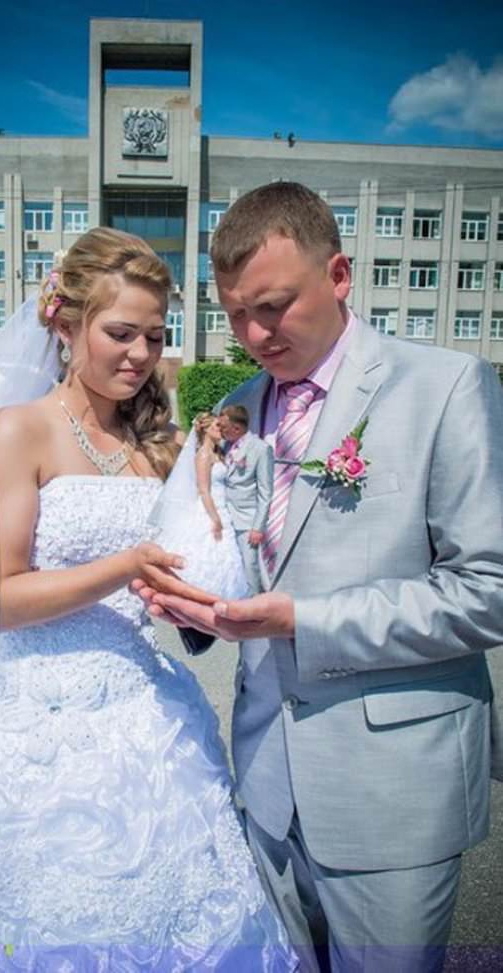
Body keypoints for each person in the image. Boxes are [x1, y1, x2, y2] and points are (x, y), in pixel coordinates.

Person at [0, 228, 298, 971]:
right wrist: (125, 566)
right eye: (120, 333)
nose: (141, 354)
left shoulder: (159, 444)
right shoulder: (16, 431)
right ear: (64, 325)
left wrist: (204, 576)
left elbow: (190, 562)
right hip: (24, 723)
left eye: (155, 336)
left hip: (144, 713)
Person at [134, 182, 503, 972]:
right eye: (235, 313)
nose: (252, 335)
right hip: (267, 780)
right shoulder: (237, 410)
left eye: (272, 307)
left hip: (392, 790)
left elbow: (487, 590)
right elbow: (240, 558)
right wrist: (192, 603)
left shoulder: (445, 388)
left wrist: (303, 619)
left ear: (339, 275)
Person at [153, 411, 249, 600]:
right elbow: (204, 490)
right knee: (211, 549)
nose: (221, 429)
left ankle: (226, 591)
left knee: (226, 554)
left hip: (223, 506)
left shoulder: (219, 453)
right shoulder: (203, 455)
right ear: (206, 430)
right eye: (217, 426)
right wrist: (215, 518)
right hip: (210, 508)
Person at [218, 404, 274, 594]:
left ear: (236, 428)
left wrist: (258, 526)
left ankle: (256, 603)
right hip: (225, 516)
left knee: (250, 566)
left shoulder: (261, 448)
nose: (220, 431)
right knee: (233, 565)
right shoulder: (224, 446)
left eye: (223, 427)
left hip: (247, 520)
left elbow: (266, 492)